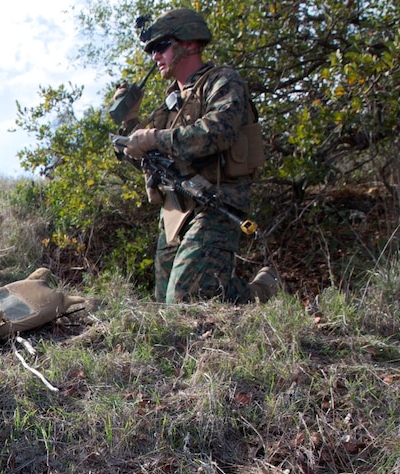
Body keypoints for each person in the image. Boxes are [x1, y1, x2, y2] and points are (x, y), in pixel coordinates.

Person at [117, 8, 279, 304]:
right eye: (152, 49)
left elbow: (219, 131)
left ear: (190, 43)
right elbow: (148, 156)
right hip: (175, 211)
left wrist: (154, 138)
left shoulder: (222, 82)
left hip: (216, 201)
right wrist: (130, 125)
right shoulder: (170, 104)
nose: (155, 56)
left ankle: (260, 291)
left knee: (186, 299)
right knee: (164, 306)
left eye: (160, 46)